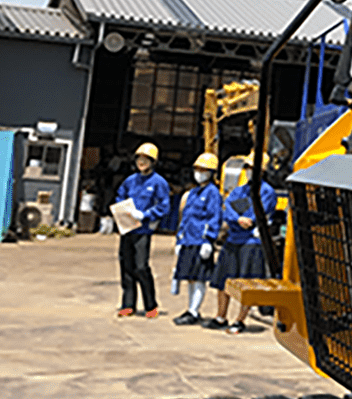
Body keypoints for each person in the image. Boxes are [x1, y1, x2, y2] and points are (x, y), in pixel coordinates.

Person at [203, 157, 278, 334]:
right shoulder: (240, 191)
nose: (250, 171)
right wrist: (237, 219)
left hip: (251, 243)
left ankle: (240, 320)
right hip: (233, 240)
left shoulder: (266, 192)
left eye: (253, 168)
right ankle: (220, 316)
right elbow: (228, 209)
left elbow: (255, 216)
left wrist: (242, 219)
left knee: (247, 284)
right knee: (223, 280)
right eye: (248, 168)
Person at [114, 142, 170, 318]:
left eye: (146, 159)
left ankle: (151, 305)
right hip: (128, 229)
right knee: (126, 266)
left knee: (141, 267)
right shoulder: (130, 181)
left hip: (143, 231)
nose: (142, 162)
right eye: (139, 158)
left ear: (153, 162)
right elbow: (120, 196)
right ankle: (128, 304)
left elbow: (164, 206)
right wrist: (124, 210)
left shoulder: (158, 182)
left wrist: (145, 215)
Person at [170, 152, 222, 326]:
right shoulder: (193, 192)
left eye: (203, 170)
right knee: (190, 277)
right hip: (188, 240)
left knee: (199, 278)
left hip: (200, 241)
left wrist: (209, 240)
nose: (199, 173)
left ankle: (194, 311)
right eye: (197, 169)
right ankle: (191, 308)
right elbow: (185, 217)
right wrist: (180, 239)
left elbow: (214, 217)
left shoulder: (212, 193)